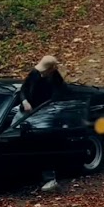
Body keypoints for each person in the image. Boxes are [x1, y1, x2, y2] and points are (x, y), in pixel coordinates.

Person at [17, 55, 67, 192]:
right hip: (29, 113)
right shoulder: (34, 74)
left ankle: (50, 178)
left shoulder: (54, 76)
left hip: (45, 114)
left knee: (44, 143)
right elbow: (23, 90)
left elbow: (61, 92)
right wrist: (25, 101)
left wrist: (51, 103)